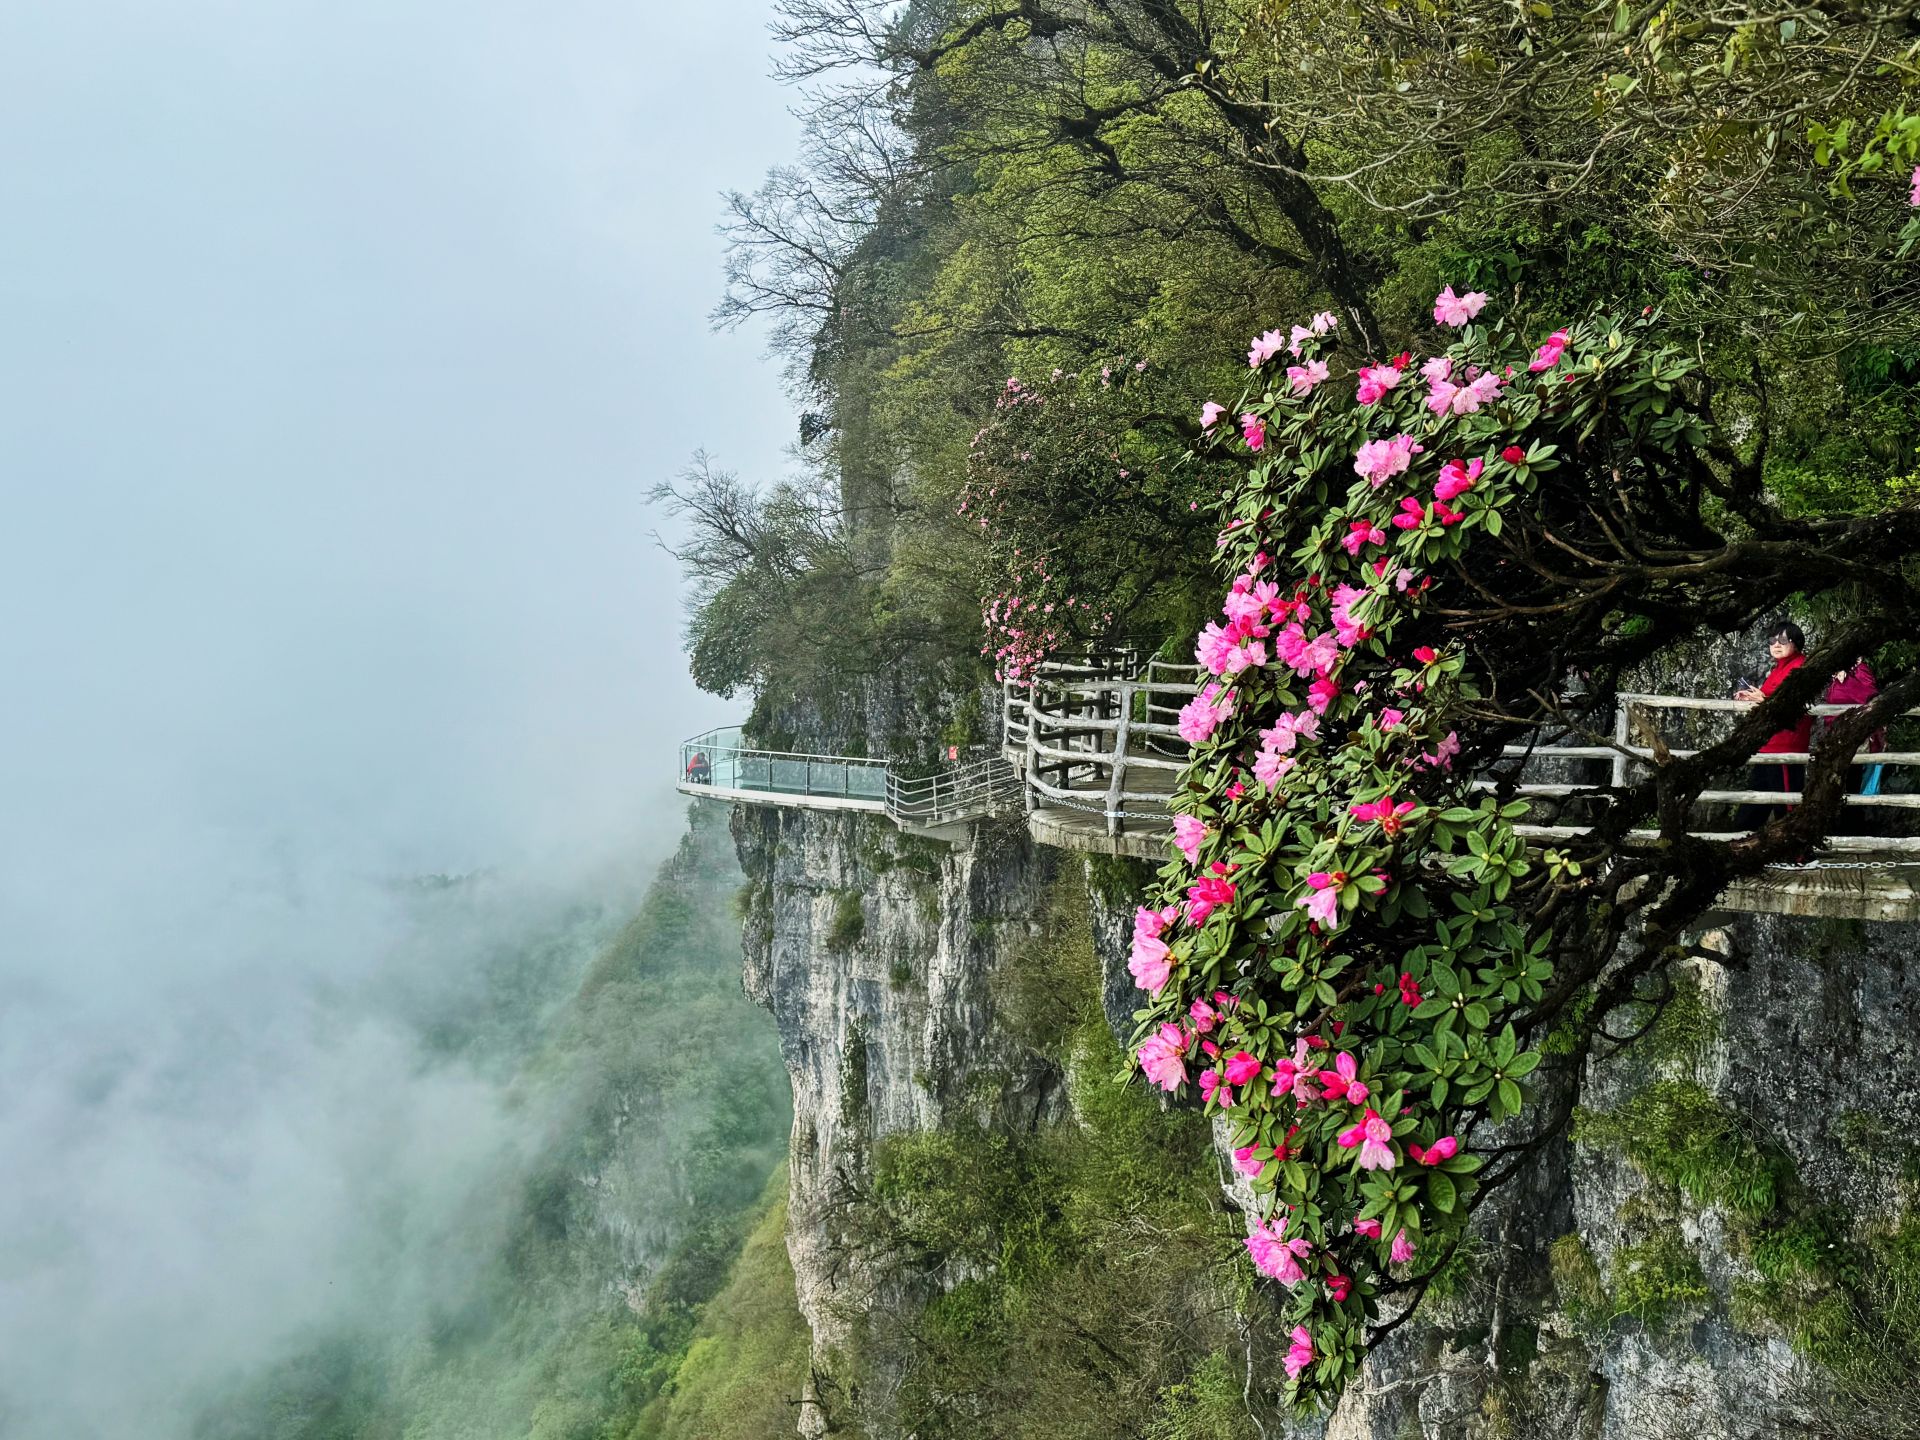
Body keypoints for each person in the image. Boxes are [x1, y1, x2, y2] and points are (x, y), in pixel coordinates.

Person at [1734, 621, 1811, 828]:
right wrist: (1753, 697)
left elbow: (1795, 704)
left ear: (1796, 643)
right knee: (1755, 803)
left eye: (1783, 640)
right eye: (1772, 640)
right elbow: (1769, 699)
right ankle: (1741, 843)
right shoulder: (1779, 669)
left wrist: (1765, 700)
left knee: (1787, 805)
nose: (1776, 644)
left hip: (1786, 748)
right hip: (1768, 746)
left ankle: (1798, 855)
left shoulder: (1800, 668)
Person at [1823, 656, 1887, 805]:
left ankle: (1853, 820)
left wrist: (1846, 680)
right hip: (1837, 734)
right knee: (1840, 779)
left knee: (1853, 779)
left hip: (1855, 735)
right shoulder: (1839, 673)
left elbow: (1869, 695)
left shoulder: (1859, 670)